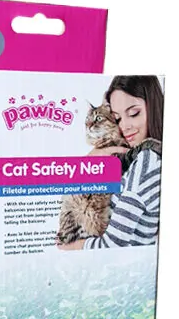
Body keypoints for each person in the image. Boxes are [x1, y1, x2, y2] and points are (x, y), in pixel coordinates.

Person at [59, 75, 163, 250]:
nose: (125, 126)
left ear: (155, 108)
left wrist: (70, 247)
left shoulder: (147, 159)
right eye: (117, 118)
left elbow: (111, 245)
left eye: (134, 113)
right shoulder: (136, 157)